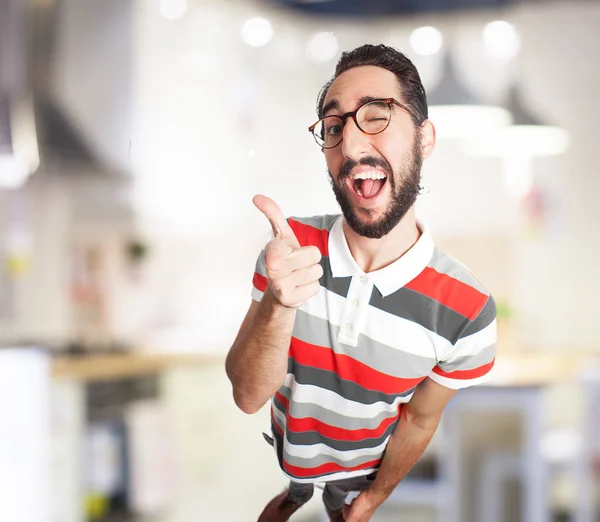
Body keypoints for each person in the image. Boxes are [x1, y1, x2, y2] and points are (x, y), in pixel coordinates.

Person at [225, 44, 497, 522]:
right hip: (292, 454)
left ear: (425, 137)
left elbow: (420, 418)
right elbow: (248, 396)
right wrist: (278, 305)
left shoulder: (468, 311)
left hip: (359, 476)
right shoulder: (291, 250)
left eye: (376, 115)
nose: (349, 146)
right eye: (334, 128)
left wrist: (374, 497)